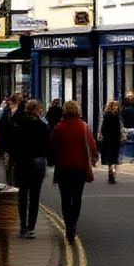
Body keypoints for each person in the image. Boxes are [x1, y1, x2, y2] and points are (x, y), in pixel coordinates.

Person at [49, 100, 98, 243]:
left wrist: (52, 160)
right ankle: (73, 225)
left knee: (65, 198)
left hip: (63, 168)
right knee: (77, 197)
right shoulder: (83, 127)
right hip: (80, 168)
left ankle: (68, 226)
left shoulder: (59, 127)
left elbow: (53, 148)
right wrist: (94, 157)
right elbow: (92, 145)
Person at [12, 99, 51, 238]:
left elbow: (13, 144)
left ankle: (22, 226)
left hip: (22, 162)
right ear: (36, 110)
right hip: (37, 162)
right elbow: (48, 145)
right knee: (35, 196)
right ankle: (31, 228)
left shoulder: (18, 124)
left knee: (22, 194)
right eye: (39, 109)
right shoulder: (42, 126)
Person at [98, 99, 122, 183]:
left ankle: (112, 173)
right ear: (111, 107)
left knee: (112, 157)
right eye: (114, 106)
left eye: (116, 106)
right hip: (110, 140)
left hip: (114, 139)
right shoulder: (109, 116)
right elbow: (104, 128)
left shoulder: (115, 115)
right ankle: (111, 173)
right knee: (111, 157)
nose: (116, 108)